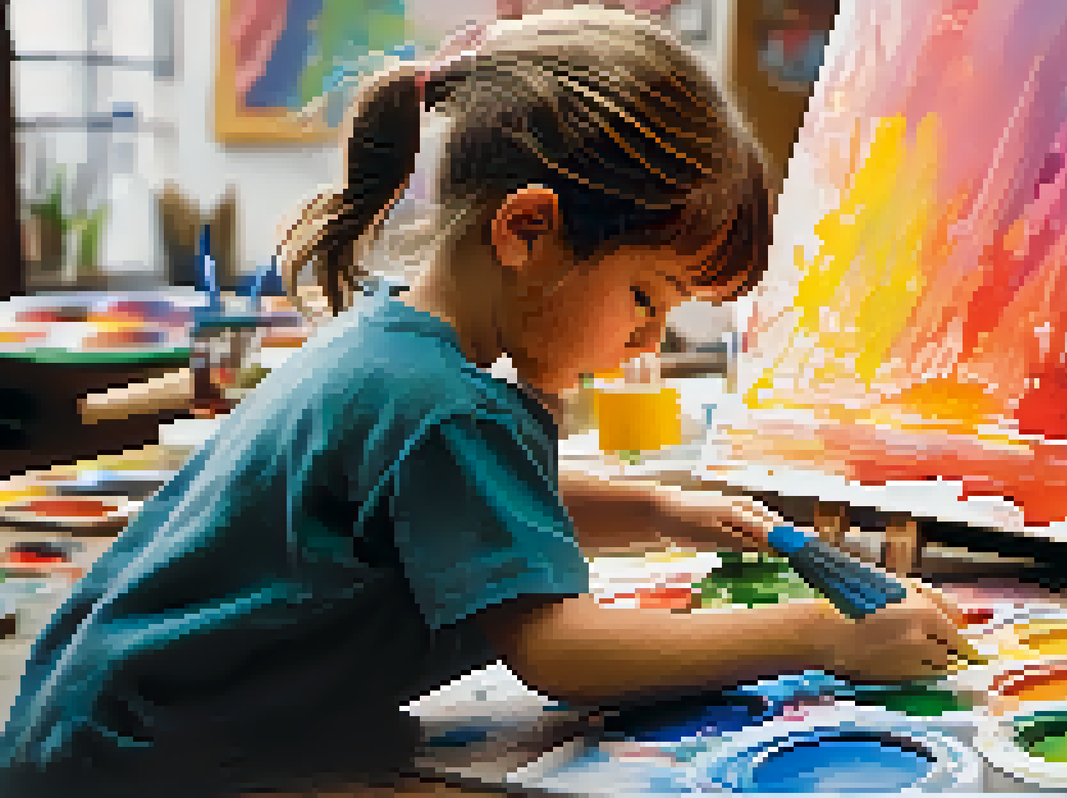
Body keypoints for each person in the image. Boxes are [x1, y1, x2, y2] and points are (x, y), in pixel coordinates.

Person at [0, 9, 963, 797]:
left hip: (101, 721)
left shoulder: (396, 348)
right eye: (648, 298)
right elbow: (562, 651)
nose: (647, 342)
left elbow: (457, 509)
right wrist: (827, 638)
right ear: (528, 228)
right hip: (148, 761)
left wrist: (660, 511)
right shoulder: (446, 405)